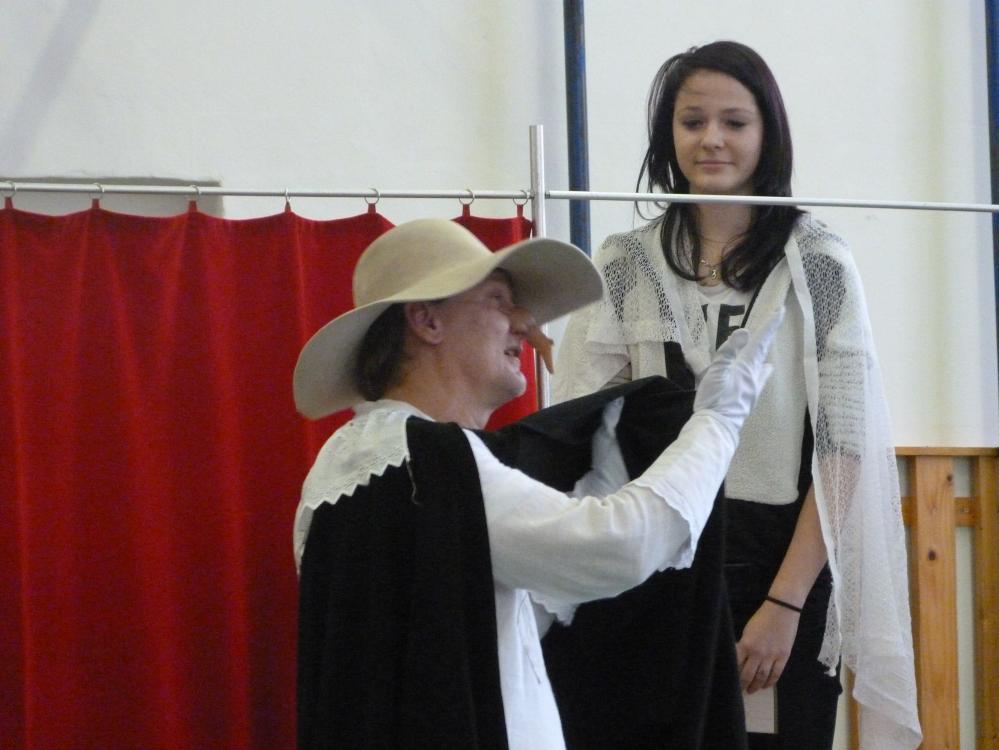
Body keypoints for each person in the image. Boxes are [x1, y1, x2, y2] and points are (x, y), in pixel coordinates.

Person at [554, 41, 921, 750]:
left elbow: (844, 443)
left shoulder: (818, 262)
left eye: (734, 122)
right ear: (668, 133)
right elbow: (581, 417)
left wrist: (785, 602)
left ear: (767, 133)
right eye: (692, 122)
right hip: (654, 557)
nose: (712, 139)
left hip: (777, 561)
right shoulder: (625, 262)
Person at [291, 217, 778, 750]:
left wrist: (607, 474)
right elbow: (619, 546)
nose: (525, 323)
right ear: (427, 320)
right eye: (498, 300)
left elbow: (487, 623)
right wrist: (719, 423)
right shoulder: (432, 461)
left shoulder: (349, 467)